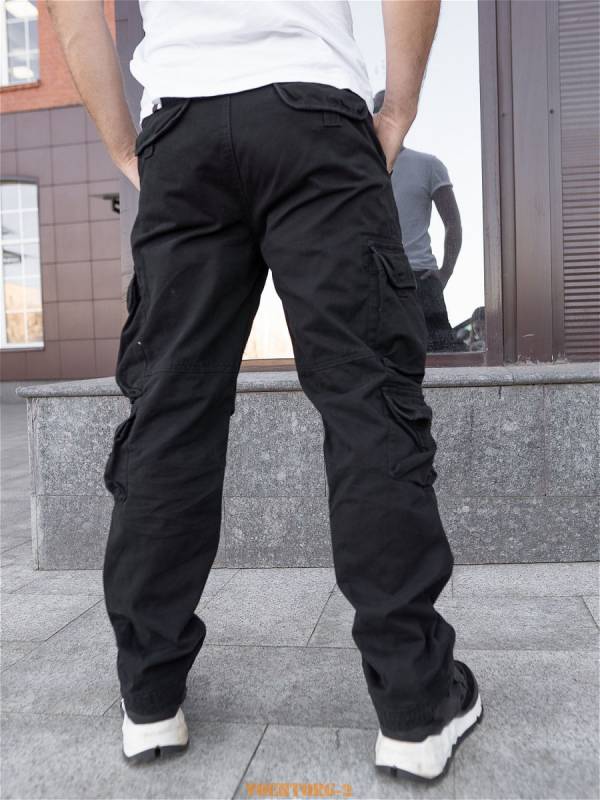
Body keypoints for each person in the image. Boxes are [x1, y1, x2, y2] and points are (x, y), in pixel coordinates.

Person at [48, 0, 482, 779]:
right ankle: (416, 708)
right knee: (368, 403)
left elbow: (69, 9)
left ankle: (149, 697)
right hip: (314, 116)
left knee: (170, 413)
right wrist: (399, 109)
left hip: (182, 128)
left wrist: (123, 144)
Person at [374, 89, 466, 352]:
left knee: (439, 358)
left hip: (420, 278)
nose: (382, 117)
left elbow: (453, 223)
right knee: (378, 362)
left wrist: (445, 272)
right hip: (375, 277)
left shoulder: (428, 165)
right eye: (377, 111)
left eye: (387, 111)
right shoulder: (359, 169)